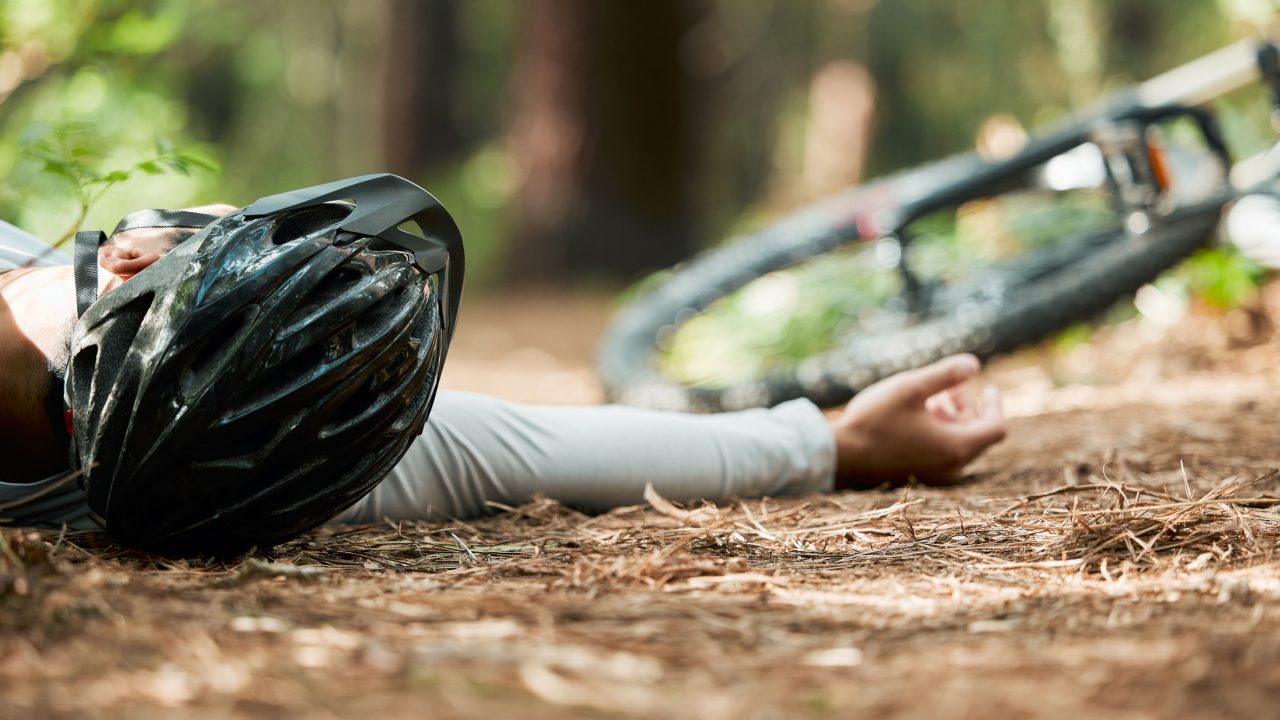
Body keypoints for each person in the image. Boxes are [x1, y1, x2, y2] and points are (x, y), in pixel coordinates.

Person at [0, 202, 1005, 536]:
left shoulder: (221, 448)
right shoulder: (216, 455)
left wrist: (830, 441)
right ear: (126, 257)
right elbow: (520, 449)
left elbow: (518, 449)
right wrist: (824, 443)